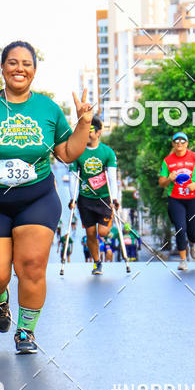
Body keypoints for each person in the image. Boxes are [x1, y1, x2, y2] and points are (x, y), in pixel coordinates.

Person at [0, 40, 93, 354]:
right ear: (2, 68)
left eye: (26, 63)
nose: (19, 69)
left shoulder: (48, 109)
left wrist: (83, 123)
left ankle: (25, 331)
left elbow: (67, 153)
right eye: (12, 62)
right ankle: (0, 301)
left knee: (32, 266)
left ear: (34, 71)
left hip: (37, 198)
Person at [68, 114, 119, 276]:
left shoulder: (107, 152)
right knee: (90, 233)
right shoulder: (78, 152)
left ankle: (108, 240)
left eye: (91, 130)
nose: (87, 134)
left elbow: (112, 177)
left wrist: (115, 199)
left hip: (104, 198)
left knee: (102, 232)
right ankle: (97, 263)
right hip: (85, 199)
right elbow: (72, 177)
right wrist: (73, 198)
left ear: (98, 133)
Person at [159, 131, 195, 271]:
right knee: (180, 229)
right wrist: (169, 178)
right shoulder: (168, 160)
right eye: (176, 141)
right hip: (176, 199)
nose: (179, 144)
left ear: (187, 144)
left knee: (192, 230)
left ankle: (193, 243)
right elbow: (161, 183)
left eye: (182, 141)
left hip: (194, 198)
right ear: (173, 144)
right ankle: (183, 260)